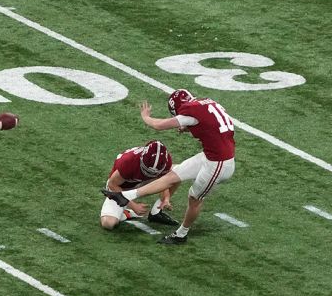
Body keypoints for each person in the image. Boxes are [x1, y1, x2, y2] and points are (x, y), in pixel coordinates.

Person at [101, 89, 235, 244]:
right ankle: (127, 196)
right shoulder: (206, 103)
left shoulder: (189, 112)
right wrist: (188, 126)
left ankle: (181, 234)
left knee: (194, 198)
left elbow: (159, 125)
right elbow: (212, 125)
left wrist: (146, 117)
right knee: (174, 175)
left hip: (218, 163)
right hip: (212, 155)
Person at [100, 141, 178, 229]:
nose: (150, 174)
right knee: (108, 223)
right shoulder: (129, 161)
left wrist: (166, 198)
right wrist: (133, 206)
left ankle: (156, 213)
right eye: (147, 171)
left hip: (143, 184)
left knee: (178, 173)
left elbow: (165, 180)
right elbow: (112, 185)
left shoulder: (166, 162)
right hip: (122, 189)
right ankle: (126, 213)